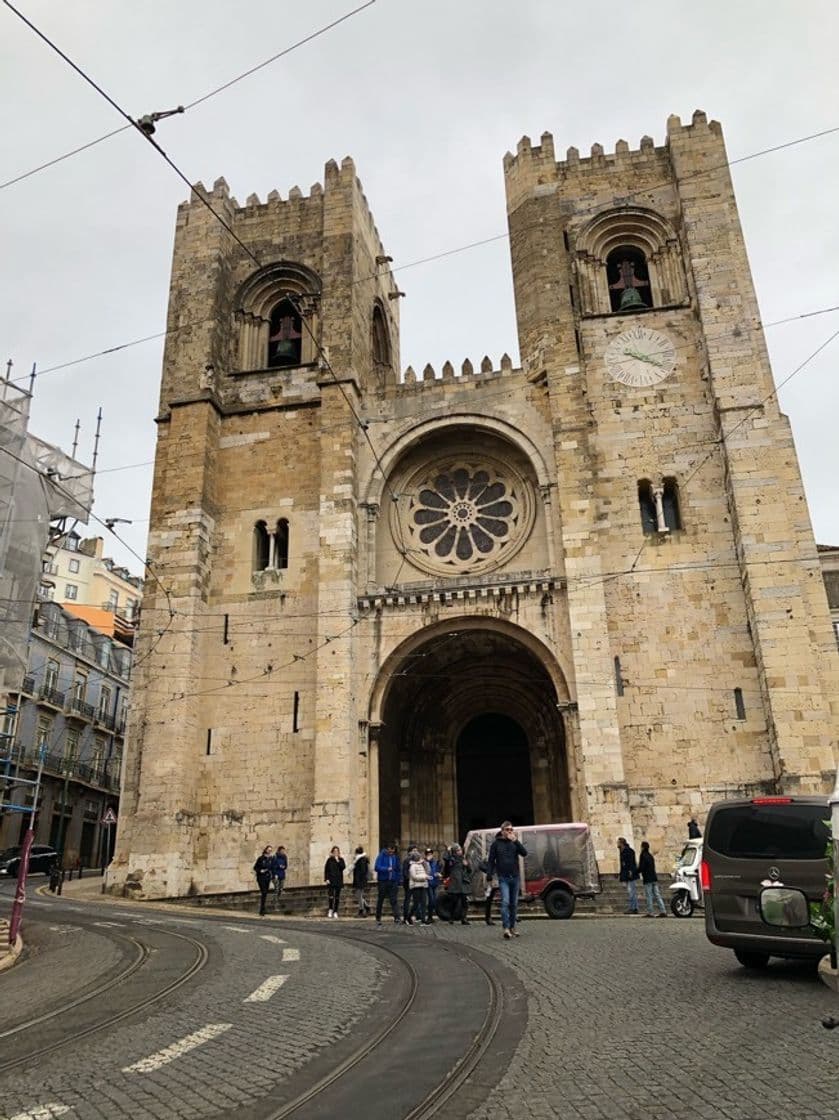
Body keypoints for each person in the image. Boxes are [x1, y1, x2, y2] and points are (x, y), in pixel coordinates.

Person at [487, 822, 528, 939]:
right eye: (507, 829)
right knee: (505, 902)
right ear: (502, 831)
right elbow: (491, 860)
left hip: (515, 877)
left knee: (513, 904)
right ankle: (506, 927)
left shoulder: (514, 842)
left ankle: (512, 927)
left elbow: (524, 853)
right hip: (503, 877)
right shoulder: (496, 844)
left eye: (511, 829)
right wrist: (489, 875)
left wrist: (515, 841)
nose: (510, 831)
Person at [374, 841, 402, 926]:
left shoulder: (395, 857)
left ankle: (397, 917)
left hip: (392, 881)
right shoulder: (381, 856)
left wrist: (397, 880)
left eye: (392, 851)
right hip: (383, 881)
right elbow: (377, 867)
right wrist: (386, 869)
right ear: (387, 849)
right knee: (381, 899)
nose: (391, 853)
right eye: (390, 851)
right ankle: (378, 917)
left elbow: (398, 869)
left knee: (394, 900)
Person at [638, 840, 667, 917]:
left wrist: (636, 871)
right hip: (653, 877)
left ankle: (650, 912)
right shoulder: (650, 856)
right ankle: (663, 910)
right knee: (657, 895)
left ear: (643, 847)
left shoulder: (643, 855)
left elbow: (642, 867)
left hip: (647, 878)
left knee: (649, 895)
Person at [445, 843, 471, 925]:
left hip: (463, 883)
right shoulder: (452, 859)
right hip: (455, 883)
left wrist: (467, 865)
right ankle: (451, 917)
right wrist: (448, 851)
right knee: (454, 901)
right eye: (458, 850)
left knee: (464, 902)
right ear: (455, 852)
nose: (460, 851)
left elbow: (470, 870)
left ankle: (464, 918)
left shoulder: (464, 859)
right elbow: (446, 859)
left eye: (460, 850)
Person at [617, 837, 640, 914]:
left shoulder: (628, 851)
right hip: (627, 874)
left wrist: (630, 872)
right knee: (632, 891)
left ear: (621, 843)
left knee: (631, 892)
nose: (617, 844)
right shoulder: (623, 851)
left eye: (618, 843)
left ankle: (633, 908)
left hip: (630, 874)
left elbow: (631, 863)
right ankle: (635, 907)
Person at [407, 849, 429, 924]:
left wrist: (425, 864)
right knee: (416, 903)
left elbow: (427, 871)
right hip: (416, 887)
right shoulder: (412, 866)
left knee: (423, 902)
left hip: (422, 885)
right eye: (419, 857)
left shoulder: (421, 865)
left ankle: (423, 919)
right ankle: (409, 916)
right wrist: (424, 877)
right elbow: (414, 877)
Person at [324, 845, 346, 919]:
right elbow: (326, 870)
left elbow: (343, 867)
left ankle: (335, 911)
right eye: (334, 851)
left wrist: (338, 861)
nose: (336, 853)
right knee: (331, 896)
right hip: (331, 880)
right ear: (332, 852)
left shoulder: (341, 860)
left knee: (337, 897)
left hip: (338, 880)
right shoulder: (329, 860)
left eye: (337, 851)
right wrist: (326, 879)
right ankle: (330, 909)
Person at [349, 845, 371, 916]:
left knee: (359, 895)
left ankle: (361, 910)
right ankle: (366, 907)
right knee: (359, 895)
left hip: (360, 880)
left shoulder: (361, 860)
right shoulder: (359, 860)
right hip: (359, 880)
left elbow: (362, 871)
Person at [253, 845, 274, 916]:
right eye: (268, 850)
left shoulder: (271, 859)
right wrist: (260, 871)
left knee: (265, 893)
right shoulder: (261, 858)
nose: (269, 851)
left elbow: (272, 867)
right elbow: (255, 867)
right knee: (264, 891)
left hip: (267, 877)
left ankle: (263, 909)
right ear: (265, 850)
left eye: (270, 850)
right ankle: (262, 909)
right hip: (261, 877)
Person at [425, 848, 441, 920]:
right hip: (428, 883)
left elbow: (438, 870)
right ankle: (429, 916)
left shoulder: (436, 862)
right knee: (431, 899)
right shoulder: (424, 862)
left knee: (434, 900)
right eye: (428, 854)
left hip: (435, 882)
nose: (430, 856)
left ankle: (431, 916)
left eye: (431, 854)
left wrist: (438, 874)